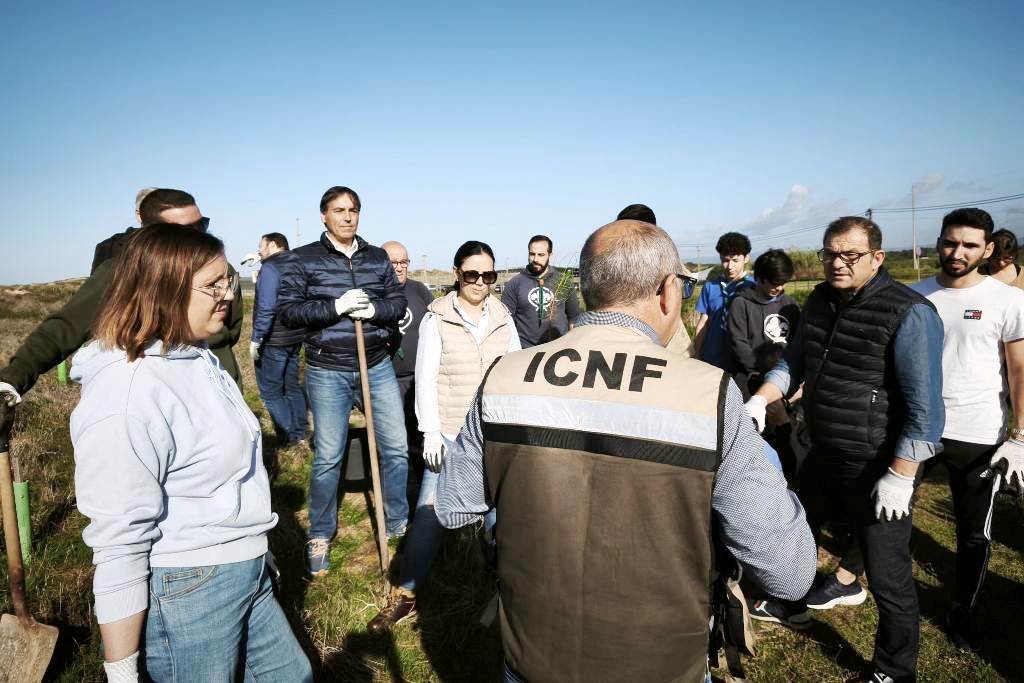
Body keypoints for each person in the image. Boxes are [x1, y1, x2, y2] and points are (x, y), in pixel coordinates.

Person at [435, 220, 815, 682]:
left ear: (589, 288)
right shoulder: (709, 394)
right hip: (662, 662)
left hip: (534, 654)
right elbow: (789, 574)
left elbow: (455, 509)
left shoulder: (502, 377)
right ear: (667, 291)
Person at [67, 224, 312, 682]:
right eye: (212, 286)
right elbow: (119, 537)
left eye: (228, 282)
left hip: (247, 569)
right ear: (163, 290)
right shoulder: (128, 392)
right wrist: (121, 669)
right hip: (189, 585)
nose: (228, 296)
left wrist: (253, 541)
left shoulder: (198, 358)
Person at [745, 216, 944, 683]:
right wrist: (761, 398)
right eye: (829, 254)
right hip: (822, 448)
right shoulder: (819, 301)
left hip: (876, 461)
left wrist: (901, 475)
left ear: (877, 257)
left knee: (889, 575)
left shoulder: (908, 312)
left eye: (849, 256)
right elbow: (794, 363)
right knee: (797, 534)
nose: (837, 263)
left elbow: (926, 408)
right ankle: (791, 604)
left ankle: (894, 671)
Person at [368, 240, 521, 632]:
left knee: (499, 518)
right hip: (452, 433)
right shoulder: (437, 318)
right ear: (457, 273)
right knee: (430, 514)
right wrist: (431, 431)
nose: (480, 282)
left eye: (488, 275)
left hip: (496, 433)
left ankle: (504, 594)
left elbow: (515, 372)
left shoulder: (503, 317)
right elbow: (427, 377)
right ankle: (406, 594)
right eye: (472, 274)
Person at [0, 188, 244, 405]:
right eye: (185, 232)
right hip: (160, 400)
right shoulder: (123, 273)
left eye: (201, 226)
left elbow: (232, 329)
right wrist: (11, 380)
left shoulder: (222, 270)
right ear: (152, 234)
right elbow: (65, 329)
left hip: (220, 384)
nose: (199, 237)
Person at [276, 186, 409, 576]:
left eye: (353, 210)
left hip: (376, 363)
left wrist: (375, 309)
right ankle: (320, 533)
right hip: (327, 368)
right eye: (339, 210)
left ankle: (397, 521)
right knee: (329, 456)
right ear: (323, 216)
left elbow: (396, 303)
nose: (347, 217)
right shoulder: (303, 260)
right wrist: (334, 307)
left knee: (397, 447)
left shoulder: (377, 257)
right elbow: (289, 312)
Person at [910, 208, 1024, 650]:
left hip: (979, 433)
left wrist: (1019, 437)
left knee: (974, 530)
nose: (958, 252)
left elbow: (1018, 372)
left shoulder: (1008, 300)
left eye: (970, 245)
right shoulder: (914, 295)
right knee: (892, 513)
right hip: (919, 426)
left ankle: (963, 608)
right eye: (951, 242)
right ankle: (887, 590)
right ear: (939, 242)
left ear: (988, 249)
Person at [251, 232, 308, 446]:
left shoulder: (270, 269)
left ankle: (289, 436)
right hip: (294, 336)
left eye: (261, 246)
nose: (259, 250)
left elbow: (266, 307)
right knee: (292, 386)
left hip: (274, 338)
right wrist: (264, 259)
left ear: (273, 245)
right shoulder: (298, 265)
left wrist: (257, 338)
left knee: (270, 391)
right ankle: (301, 431)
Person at [381, 240, 434, 451]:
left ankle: (420, 474)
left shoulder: (419, 289)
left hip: (418, 378)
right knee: (392, 437)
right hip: (386, 379)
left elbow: (436, 319)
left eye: (404, 261)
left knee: (419, 433)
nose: (400, 267)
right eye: (394, 262)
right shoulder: (373, 293)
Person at [501, 235, 581, 347]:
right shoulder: (515, 283)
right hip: (525, 351)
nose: (535, 259)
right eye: (532, 254)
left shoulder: (564, 281)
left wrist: (572, 345)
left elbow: (574, 318)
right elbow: (505, 321)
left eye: (541, 255)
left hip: (558, 350)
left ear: (550, 254)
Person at [693, 232, 755, 370]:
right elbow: (704, 323)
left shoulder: (755, 287)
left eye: (735, 260)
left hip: (744, 362)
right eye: (725, 260)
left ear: (746, 258)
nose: (730, 266)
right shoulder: (710, 286)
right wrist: (696, 353)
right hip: (713, 359)